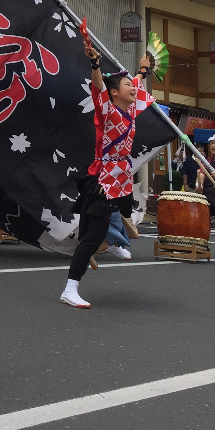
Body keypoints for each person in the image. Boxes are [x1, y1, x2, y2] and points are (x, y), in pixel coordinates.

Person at [60, 44, 152, 309]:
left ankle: (111, 239)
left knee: (124, 206)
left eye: (132, 86)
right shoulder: (108, 111)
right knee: (90, 237)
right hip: (103, 179)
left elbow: (136, 81)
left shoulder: (131, 110)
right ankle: (70, 288)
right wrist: (96, 65)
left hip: (121, 178)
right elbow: (100, 88)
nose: (133, 88)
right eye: (127, 85)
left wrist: (143, 69)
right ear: (114, 93)